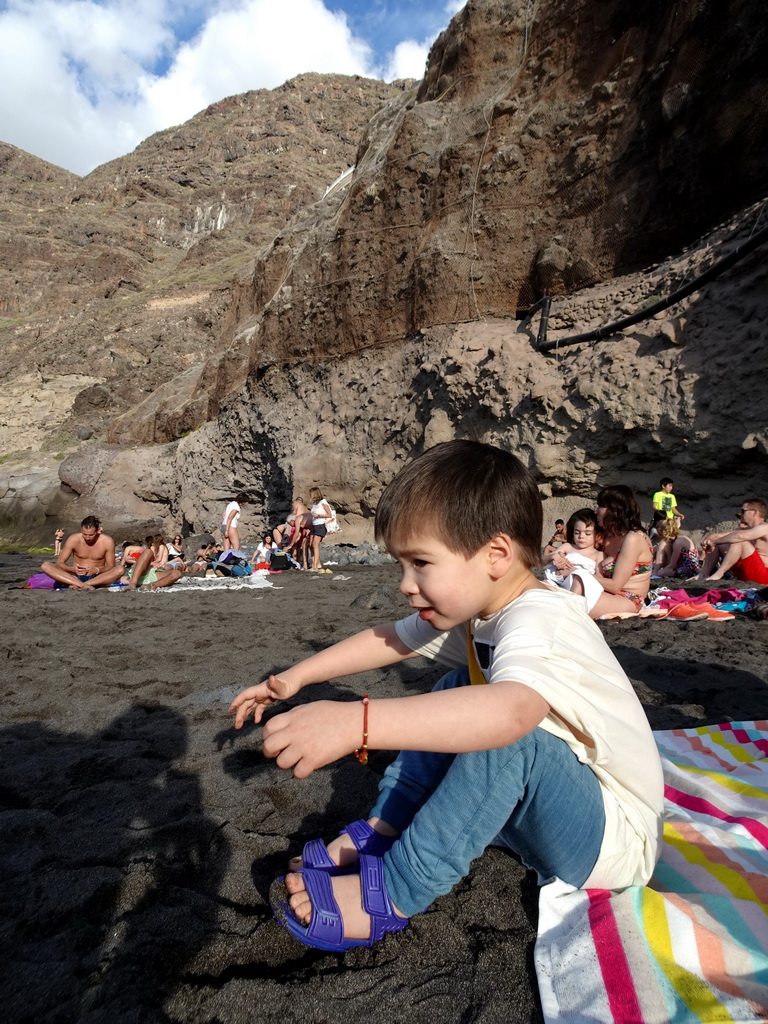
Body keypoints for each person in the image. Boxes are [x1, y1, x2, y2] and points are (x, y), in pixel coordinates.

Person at [229, 441, 663, 954]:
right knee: (459, 690)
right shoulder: (480, 607)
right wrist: (294, 678)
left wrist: (355, 723)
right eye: (400, 565)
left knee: (506, 732)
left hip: (609, 843)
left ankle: (394, 891)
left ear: (496, 555)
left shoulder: (540, 619)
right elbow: (391, 638)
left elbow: (512, 713)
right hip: (534, 817)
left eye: (420, 563)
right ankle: (385, 826)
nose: (405, 585)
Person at [569, 485, 653, 618]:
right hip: (604, 592)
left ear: (615, 509)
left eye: (601, 506)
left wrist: (575, 572)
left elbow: (615, 586)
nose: (596, 511)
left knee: (567, 605)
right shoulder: (607, 536)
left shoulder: (633, 539)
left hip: (628, 599)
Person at [39, 516, 125, 590]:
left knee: (120, 569)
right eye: (85, 534)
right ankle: (82, 585)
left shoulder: (107, 541)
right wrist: (73, 569)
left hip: (97, 576)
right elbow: (59, 562)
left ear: (98, 530)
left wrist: (97, 570)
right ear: (81, 530)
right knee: (45, 565)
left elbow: (111, 566)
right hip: (75, 576)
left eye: (91, 535)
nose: (87, 538)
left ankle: (83, 584)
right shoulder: (73, 539)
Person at [695, 499, 768, 584]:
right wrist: (709, 541)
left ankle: (718, 574)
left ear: (754, 512)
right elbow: (716, 536)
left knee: (740, 541)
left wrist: (715, 542)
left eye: (743, 511)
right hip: (745, 572)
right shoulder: (747, 530)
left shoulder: (765, 528)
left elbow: (740, 536)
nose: (740, 514)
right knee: (720, 544)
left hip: (763, 576)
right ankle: (703, 575)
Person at [543, 509, 603, 610]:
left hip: (578, 588)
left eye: (587, 533)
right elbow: (541, 561)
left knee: (579, 577)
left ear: (597, 536)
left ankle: (570, 608)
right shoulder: (568, 547)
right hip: (557, 583)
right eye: (577, 532)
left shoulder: (598, 554)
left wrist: (573, 571)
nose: (581, 537)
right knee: (541, 585)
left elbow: (599, 578)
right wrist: (553, 556)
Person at [309, 487, 333, 571]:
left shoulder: (323, 502)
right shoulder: (314, 503)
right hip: (314, 525)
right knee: (311, 545)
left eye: (311, 493)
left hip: (320, 525)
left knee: (315, 544)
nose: (309, 495)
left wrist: (318, 515)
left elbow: (329, 514)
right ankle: (317, 564)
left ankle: (314, 566)